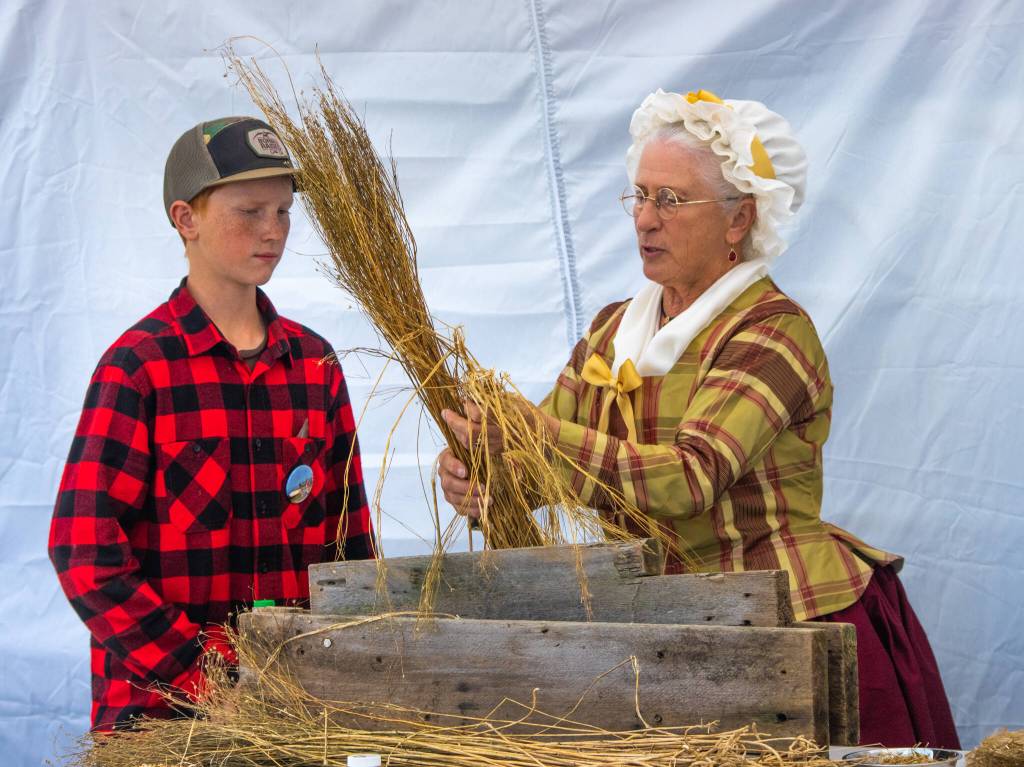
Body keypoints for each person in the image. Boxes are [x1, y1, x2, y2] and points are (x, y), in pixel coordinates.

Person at [437, 89, 959, 748]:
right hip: (664, 630)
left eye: (672, 200)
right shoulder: (611, 333)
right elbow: (541, 469)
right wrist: (481, 477)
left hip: (788, 628)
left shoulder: (774, 333)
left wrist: (539, 436)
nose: (645, 220)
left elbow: (691, 480)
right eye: (640, 195)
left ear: (739, 219)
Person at [48, 116, 374, 731]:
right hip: (162, 716)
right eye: (250, 210)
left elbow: (350, 540)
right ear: (185, 218)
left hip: (295, 708)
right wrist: (199, 672)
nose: (272, 231)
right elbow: (83, 549)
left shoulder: (314, 364)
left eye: (283, 212)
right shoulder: (139, 368)